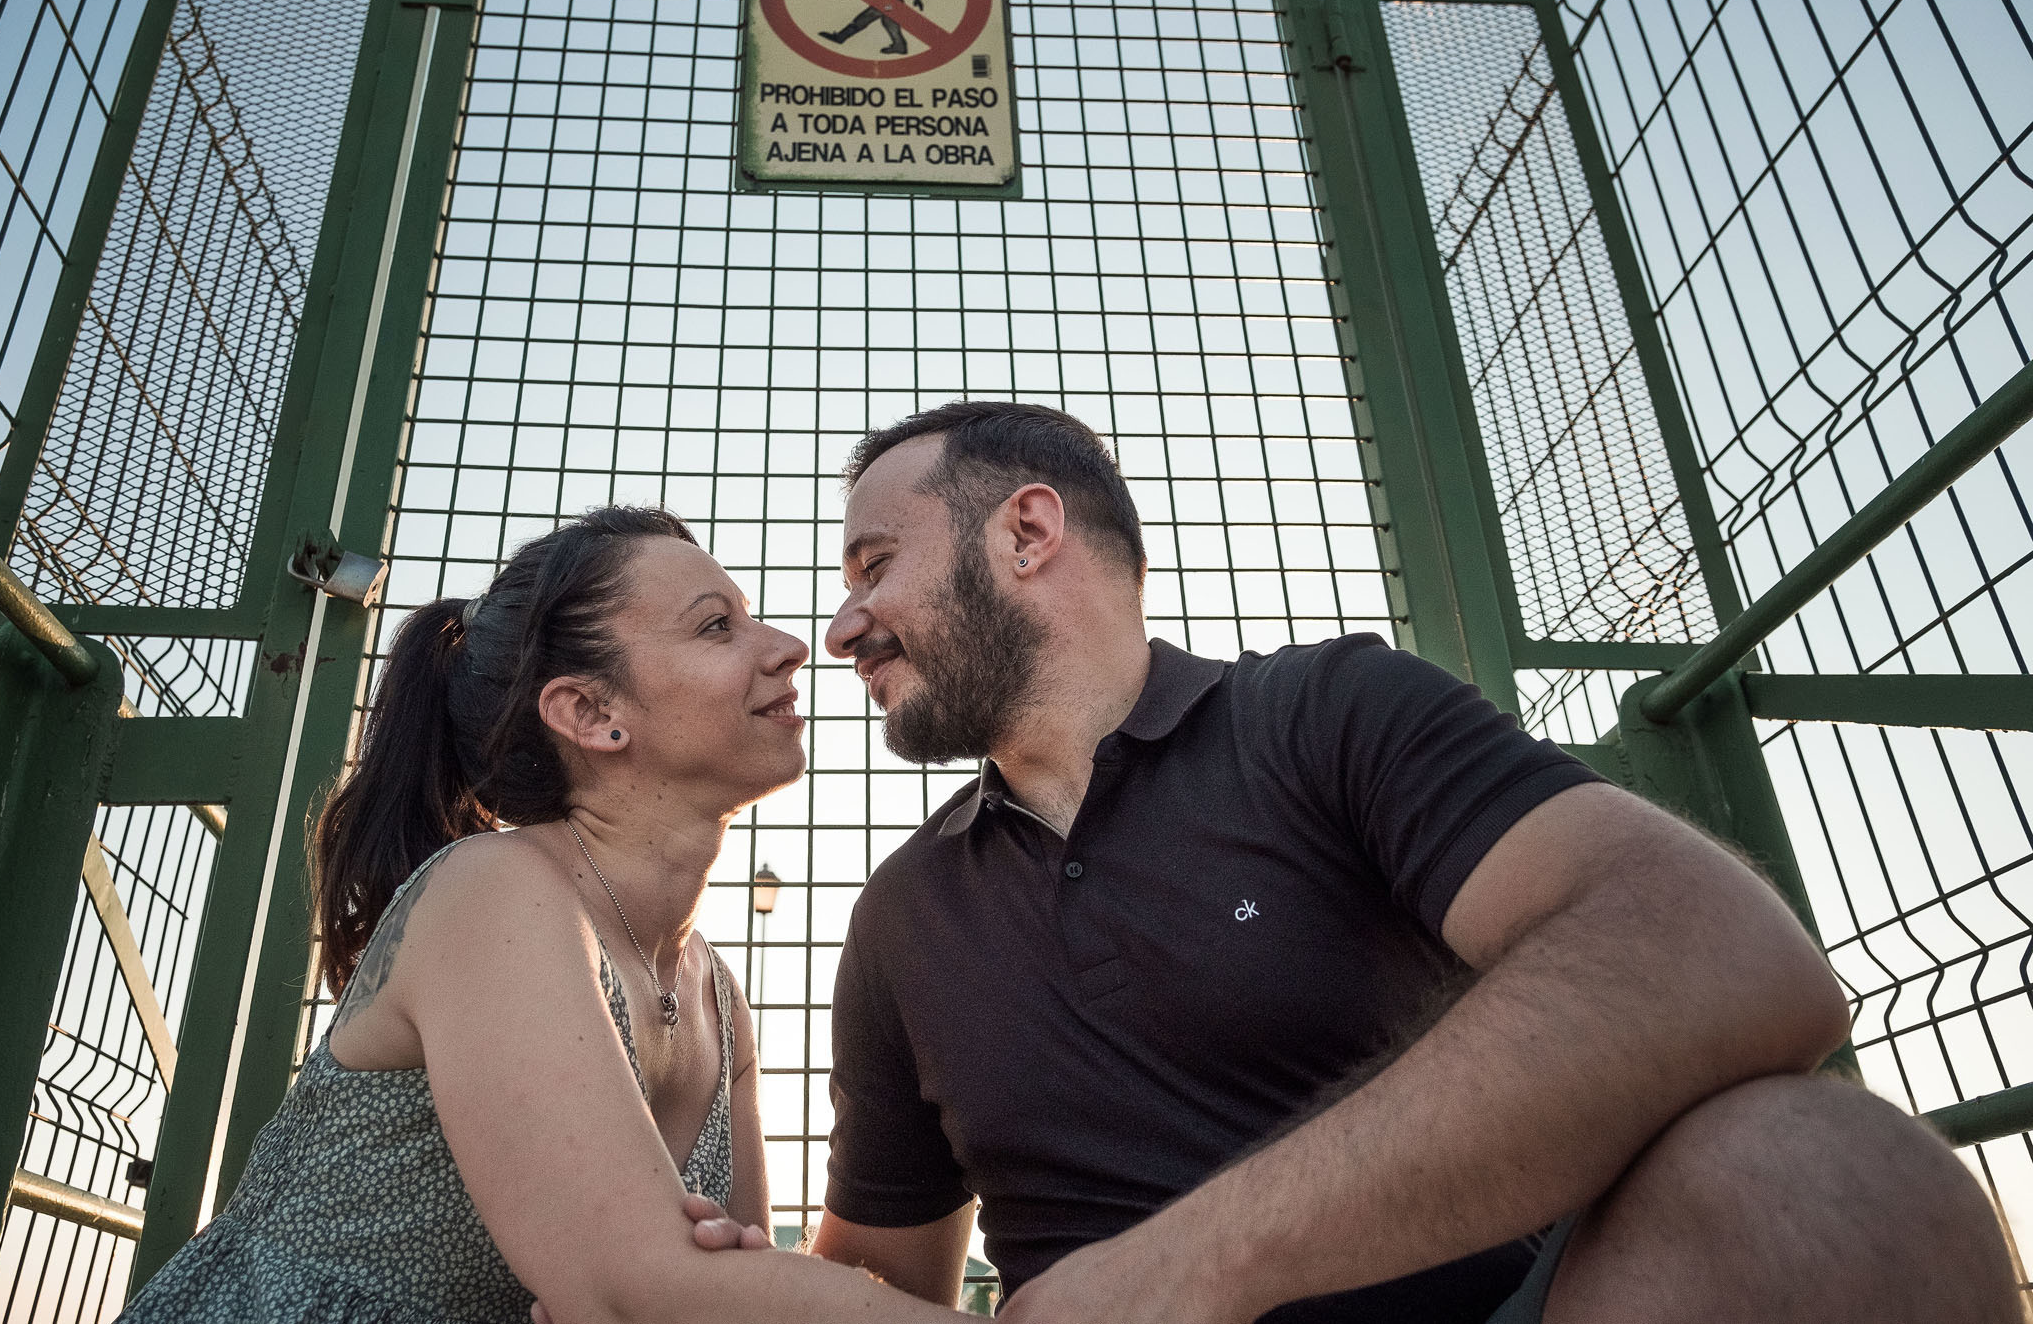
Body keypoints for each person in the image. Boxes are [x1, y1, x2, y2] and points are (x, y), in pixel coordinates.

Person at [808, 401, 2018, 1323]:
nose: (842, 623)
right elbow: (875, 1283)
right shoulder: (903, 917)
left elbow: (1725, 957)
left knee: (1821, 1172)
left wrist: (1185, 1265)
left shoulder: (1327, 713)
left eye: (874, 565)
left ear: (1025, 532)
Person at [117, 507, 963, 1324]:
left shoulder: (718, 996)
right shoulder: (494, 890)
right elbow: (645, 1293)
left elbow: (715, 1295)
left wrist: (704, 1288)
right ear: (591, 714)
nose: (786, 647)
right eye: (716, 626)